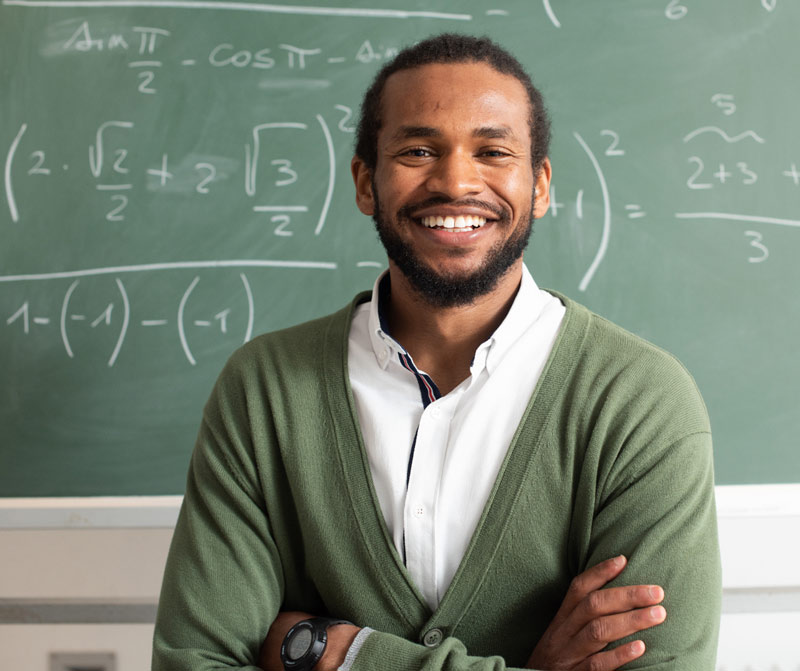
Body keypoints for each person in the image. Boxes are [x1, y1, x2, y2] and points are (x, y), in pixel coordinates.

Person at [152, 33, 720, 671]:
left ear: (539, 186)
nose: (455, 180)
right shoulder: (264, 390)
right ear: (366, 184)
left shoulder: (639, 401)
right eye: (419, 149)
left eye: (492, 150)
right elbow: (193, 662)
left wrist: (343, 654)